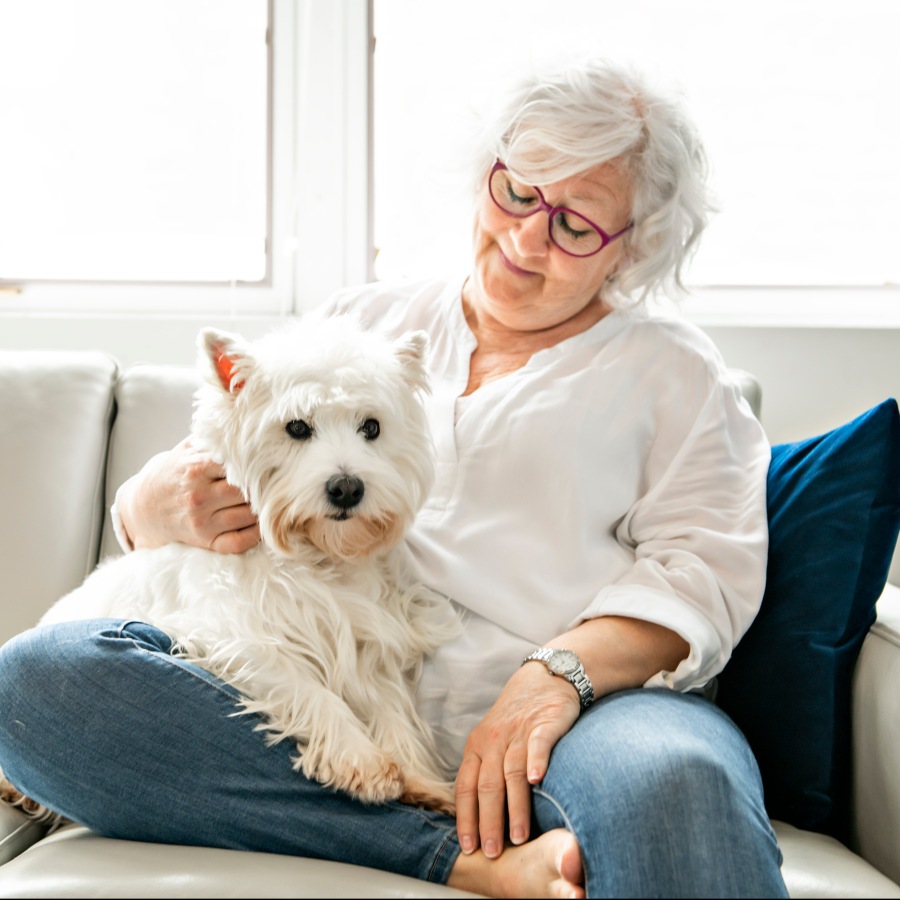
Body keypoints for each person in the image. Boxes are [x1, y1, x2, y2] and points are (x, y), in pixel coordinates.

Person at [0, 58, 788, 898]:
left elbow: (703, 573)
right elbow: (238, 452)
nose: (526, 238)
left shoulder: (674, 373)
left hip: (575, 717)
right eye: (517, 194)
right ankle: (445, 852)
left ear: (634, 243)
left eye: (575, 224)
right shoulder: (364, 321)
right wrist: (143, 508)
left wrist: (555, 677)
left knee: (676, 779)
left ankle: (422, 832)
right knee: (35, 686)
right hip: (320, 696)